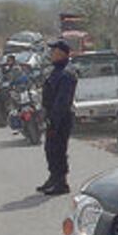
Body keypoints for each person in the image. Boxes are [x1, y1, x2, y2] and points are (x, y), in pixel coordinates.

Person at [37, 40, 77, 196]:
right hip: (53, 116)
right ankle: (53, 178)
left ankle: (61, 182)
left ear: (61, 53)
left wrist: (54, 120)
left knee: (58, 149)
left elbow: (62, 101)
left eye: (54, 51)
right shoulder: (57, 70)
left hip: (61, 118)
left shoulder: (66, 73)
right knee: (50, 149)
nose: (51, 53)